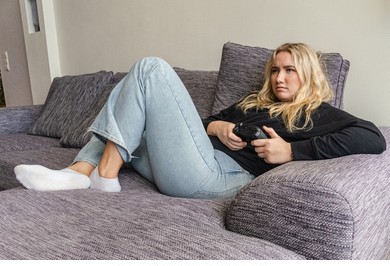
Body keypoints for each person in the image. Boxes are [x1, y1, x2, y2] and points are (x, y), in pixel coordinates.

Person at [14, 43, 386, 198]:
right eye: (275, 70)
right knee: (129, 105)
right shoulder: (254, 102)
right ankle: (79, 171)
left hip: (217, 175)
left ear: (307, 75)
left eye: (290, 70)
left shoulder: (315, 113)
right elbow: (202, 122)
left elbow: (373, 138)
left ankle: (102, 177)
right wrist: (215, 126)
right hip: (187, 158)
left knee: (150, 69)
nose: (279, 78)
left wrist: (291, 150)